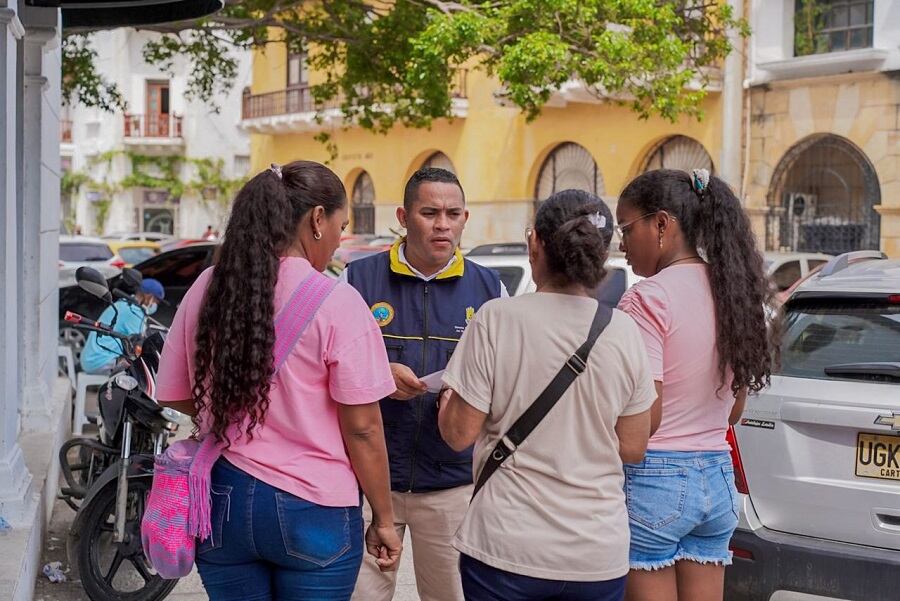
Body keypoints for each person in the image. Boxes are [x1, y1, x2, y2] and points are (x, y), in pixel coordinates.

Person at [155, 161, 402, 601]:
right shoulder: (339, 302)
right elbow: (363, 428)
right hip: (315, 506)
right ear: (317, 220)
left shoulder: (211, 286)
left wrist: (235, 415)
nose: (341, 239)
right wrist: (383, 517)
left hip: (224, 498)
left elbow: (175, 393)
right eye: (342, 225)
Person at [437, 189, 655, 601]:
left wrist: (448, 398)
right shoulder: (623, 331)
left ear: (535, 242)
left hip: (506, 546)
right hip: (596, 553)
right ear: (600, 256)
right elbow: (633, 446)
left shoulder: (497, 320)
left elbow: (458, 435)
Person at [341, 167, 506, 601]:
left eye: (453, 213)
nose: (442, 224)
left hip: (452, 484)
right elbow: (327, 372)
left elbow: (506, 383)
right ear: (403, 215)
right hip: (372, 481)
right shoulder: (356, 282)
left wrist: (466, 393)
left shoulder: (490, 290)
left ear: (465, 218)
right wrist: (379, 376)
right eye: (429, 212)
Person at [614, 169, 774, 601]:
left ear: (662, 224)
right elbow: (733, 411)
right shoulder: (736, 294)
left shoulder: (646, 299)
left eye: (626, 229)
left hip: (655, 481)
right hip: (717, 479)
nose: (622, 244)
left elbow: (648, 416)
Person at [79, 278, 164, 374]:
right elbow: (139, 344)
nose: (156, 305)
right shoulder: (133, 312)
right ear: (149, 297)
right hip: (100, 361)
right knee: (142, 371)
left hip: (91, 358)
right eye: (156, 301)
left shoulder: (123, 304)